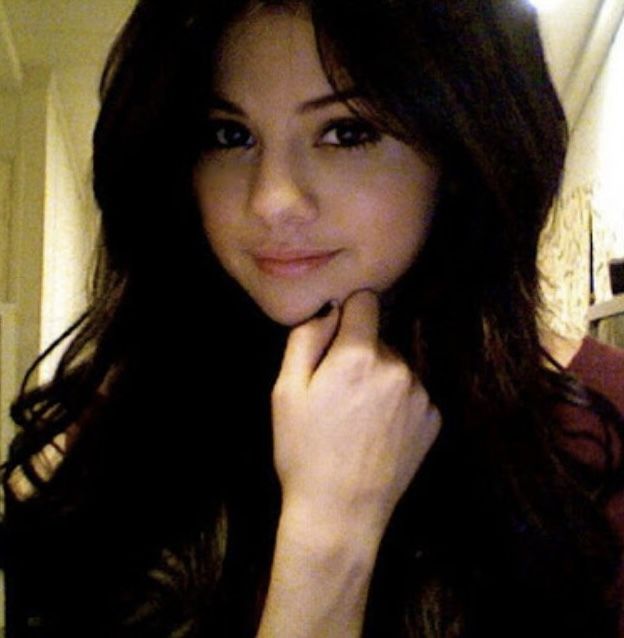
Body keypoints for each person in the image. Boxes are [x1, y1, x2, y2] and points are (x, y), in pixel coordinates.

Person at [2, 0, 624, 636]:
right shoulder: (123, 427)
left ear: (459, 156)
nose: (272, 200)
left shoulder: (603, 418)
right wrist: (328, 545)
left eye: (348, 132)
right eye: (229, 135)